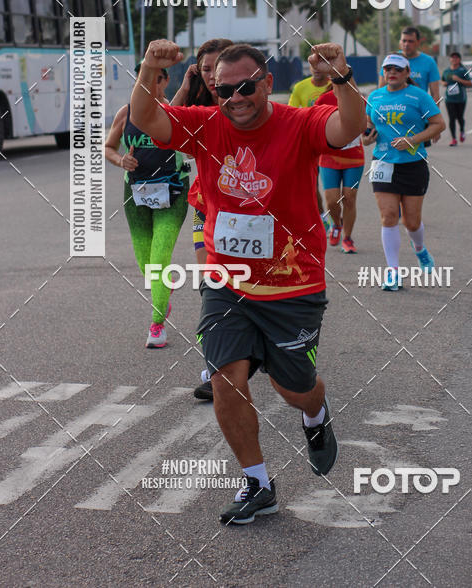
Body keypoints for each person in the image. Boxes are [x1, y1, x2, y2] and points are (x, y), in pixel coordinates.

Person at [130, 39, 366, 524]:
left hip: (293, 287)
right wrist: (149, 68)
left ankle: (315, 414)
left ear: (267, 82)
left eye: (245, 87)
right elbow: (146, 120)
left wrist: (340, 76)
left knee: (293, 388)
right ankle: (257, 483)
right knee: (225, 380)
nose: (235, 98)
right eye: (224, 90)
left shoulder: (299, 123)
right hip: (228, 282)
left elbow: (349, 126)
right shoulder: (206, 124)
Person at [104, 65, 189, 347]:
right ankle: (163, 292)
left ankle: (157, 323)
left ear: (165, 82)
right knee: (146, 263)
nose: (148, 85)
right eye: (143, 79)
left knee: (160, 257)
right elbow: (108, 147)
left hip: (173, 193)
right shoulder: (126, 113)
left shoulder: (174, 111)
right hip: (136, 194)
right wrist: (121, 160)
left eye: (155, 80)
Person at [171, 38, 234, 401]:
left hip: (247, 208)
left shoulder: (246, 104)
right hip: (205, 204)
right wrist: (184, 85)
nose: (212, 76)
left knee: (248, 286)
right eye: (205, 69)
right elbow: (164, 124)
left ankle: (260, 347)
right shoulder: (197, 107)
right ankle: (215, 368)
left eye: (217, 68)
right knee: (211, 284)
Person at [364, 53, 445, 291]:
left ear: (407, 73)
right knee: (389, 216)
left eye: (398, 69)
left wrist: (413, 140)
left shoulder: (418, 96)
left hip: (413, 165)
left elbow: (439, 124)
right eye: (388, 69)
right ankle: (393, 272)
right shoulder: (375, 97)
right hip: (383, 163)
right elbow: (368, 127)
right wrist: (366, 138)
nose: (392, 73)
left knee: (411, 222)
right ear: (383, 72)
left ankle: (420, 249)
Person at [315, 87, 366, 253]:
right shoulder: (324, 99)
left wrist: (369, 134)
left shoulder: (358, 99)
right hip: (329, 157)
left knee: (349, 197)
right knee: (332, 201)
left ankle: (347, 238)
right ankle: (337, 224)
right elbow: (314, 124)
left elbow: (370, 123)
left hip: (354, 158)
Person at [288, 65, 334, 234]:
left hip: (331, 141)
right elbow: (292, 112)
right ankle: (322, 217)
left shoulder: (334, 85)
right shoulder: (301, 87)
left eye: (320, 67)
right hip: (310, 142)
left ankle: (337, 219)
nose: (316, 70)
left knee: (336, 194)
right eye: (313, 67)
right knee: (312, 187)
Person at [378, 26, 441, 102]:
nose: (406, 44)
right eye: (404, 41)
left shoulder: (429, 62)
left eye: (410, 41)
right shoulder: (391, 59)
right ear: (400, 42)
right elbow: (381, 90)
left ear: (418, 42)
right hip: (393, 106)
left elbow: (435, 95)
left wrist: (433, 109)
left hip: (418, 106)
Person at [441, 51, 472, 146]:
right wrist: (444, 83)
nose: (454, 59)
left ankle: (462, 131)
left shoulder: (462, 71)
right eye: (452, 57)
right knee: (451, 118)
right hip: (449, 99)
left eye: (456, 58)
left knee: (459, 117)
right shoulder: (446, 71)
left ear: (459, 59)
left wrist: (459, 80)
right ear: (450, 59)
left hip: (460, 99)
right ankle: (453, 139)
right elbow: (442, 81)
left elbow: (469, 83)